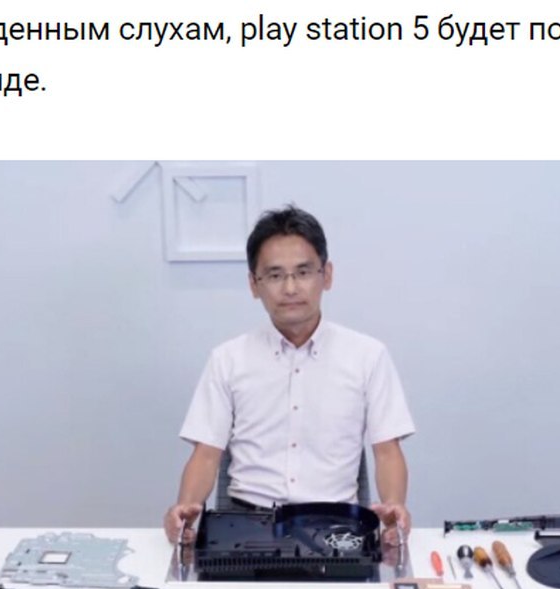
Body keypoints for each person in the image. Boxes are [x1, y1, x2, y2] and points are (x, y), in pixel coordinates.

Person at [163, 205, 415, 544]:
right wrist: (185, 508)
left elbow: (387, 450)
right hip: (245, 530)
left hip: (336, 530)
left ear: (327, 275)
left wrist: (394, 507)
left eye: (303, 272)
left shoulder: (368, 356)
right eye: (275, 275)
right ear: (254, 284)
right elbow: (206, 454)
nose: (291, 288)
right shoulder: (228, 359)